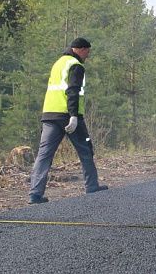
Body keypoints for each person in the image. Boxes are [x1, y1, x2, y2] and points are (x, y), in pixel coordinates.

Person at [30, 38, 108, 203]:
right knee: (86, 149)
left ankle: (35, 194)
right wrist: (73, 116)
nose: (88, 55)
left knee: (44, 154)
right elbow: (73, 90)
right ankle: (92, 186)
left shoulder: (58, 63)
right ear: (80, 49)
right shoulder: (75, 65)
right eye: (87, 51)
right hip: (69, 116)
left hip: (50, 115)